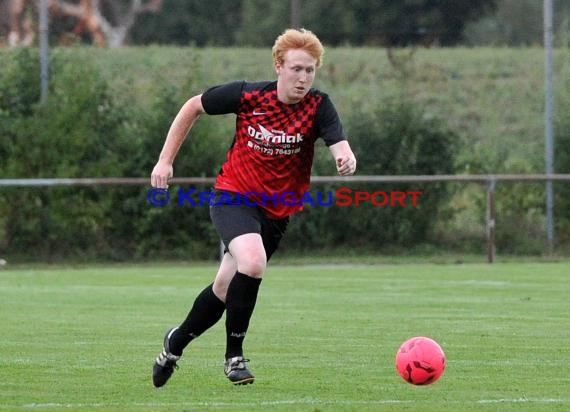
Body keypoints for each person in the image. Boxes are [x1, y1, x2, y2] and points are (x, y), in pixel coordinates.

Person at [150, 28, 357, 387]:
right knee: (253, 262)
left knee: (223, 288)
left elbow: (338, 142)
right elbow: (193, 106)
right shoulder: (248, 96)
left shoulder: (318, 106)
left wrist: (345, 156)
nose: (303, 77)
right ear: (279, 66)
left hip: (277, 212)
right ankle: (234, 357)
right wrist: (165, 161)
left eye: (310, 70)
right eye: (296, 69)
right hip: (234, 196)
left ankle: (175, 343)